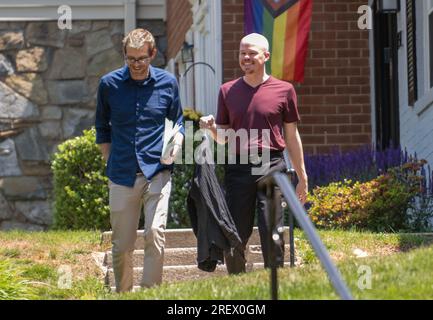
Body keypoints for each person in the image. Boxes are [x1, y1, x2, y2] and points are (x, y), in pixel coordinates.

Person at [199, 33, 308, 274]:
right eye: (242, 53)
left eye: (252, 53)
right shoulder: (227, 91)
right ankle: (238, 282)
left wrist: (302, 175)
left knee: (272, 228)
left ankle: (276, 284)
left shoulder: (284, 90)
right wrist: (212, 127)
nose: (246, 57)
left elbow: (291, 136)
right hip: (238, 168)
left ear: (266, 56)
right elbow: (224, 137)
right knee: (235, 231)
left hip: (272, 166)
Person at [95, 28, 184, 292]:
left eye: (141, 59)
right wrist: (109, 159)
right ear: (124, 55)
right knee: (122, 245)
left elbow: (177, 120)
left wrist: (177, 142)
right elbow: (102, 126)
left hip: (157, 171)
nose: (136, 64)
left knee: (155, 233)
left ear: (152, 54)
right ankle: (123, 294)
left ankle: (150, 293)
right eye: (130, 59)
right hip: (121, 175)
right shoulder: (109, 84)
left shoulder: (167, 83)